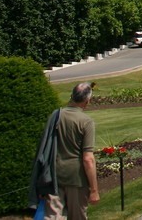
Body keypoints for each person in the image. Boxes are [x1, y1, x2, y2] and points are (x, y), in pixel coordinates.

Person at [31, 82, 100, 220]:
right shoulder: (86, 122)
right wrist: (94, 190)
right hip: (77, 178)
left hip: (53, 176)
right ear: (87, 101)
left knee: (52, 216)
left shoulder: (56, 115)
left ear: (72, 96)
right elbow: (88, 158)